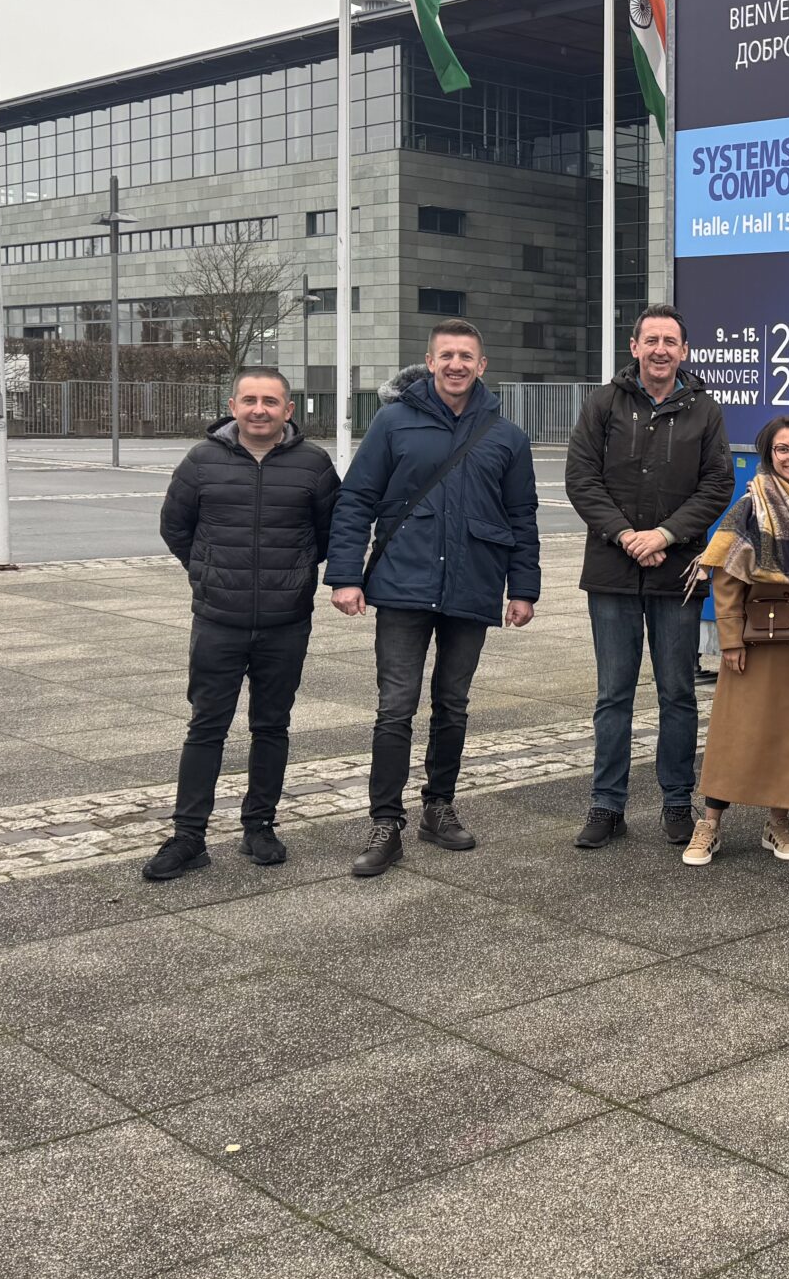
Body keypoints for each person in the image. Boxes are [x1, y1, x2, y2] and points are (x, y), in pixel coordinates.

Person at [326, 323, 540, 879]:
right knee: (395, 706)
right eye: (446, 355)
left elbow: (522, 516)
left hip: (473, 584)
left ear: (482, 365)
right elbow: (357, 499)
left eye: (466, 356)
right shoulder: (394, 421)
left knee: (453, 704)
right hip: (403, 584)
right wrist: (345, 576)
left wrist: (524, 588)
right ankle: (385, 823)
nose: (456, 364)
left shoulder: (506, 435)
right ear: (429, 361)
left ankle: (438, 807)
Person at [142, 368, 342, 881]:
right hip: (218, 620)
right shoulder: (201, 461)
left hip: (285, 621)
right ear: (232, 406)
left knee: (271, 726)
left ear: (288, 410)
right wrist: (206, 571)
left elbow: (329, 533)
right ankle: (189, 836)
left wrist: (295, 575)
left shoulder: (314, 464)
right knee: (206, 726)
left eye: (270, 401)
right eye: (249, 400)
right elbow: (175, 527)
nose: (259, 409)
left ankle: (260, 826)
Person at [564, 305, 735, 849]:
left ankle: (677, 801)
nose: (661, 349)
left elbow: (717, 485)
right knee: (613, 694)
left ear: (684, 351)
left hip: (676, 572)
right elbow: (581, 478)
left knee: (678, 693)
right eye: (651, 340)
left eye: (670, 341)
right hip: (612, 571)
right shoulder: (603, 403)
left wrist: (663, 535)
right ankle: (606, 805)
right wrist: (625, 535)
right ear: (634, 347)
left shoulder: (705, 411)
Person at [685, 417, 789, 865]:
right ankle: (709, 824)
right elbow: (726, 576)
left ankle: (778, 823)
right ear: (769, 454)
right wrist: (729, 640)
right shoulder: (752, 505)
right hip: (758, 637)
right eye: (782, 449)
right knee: (735, 733)